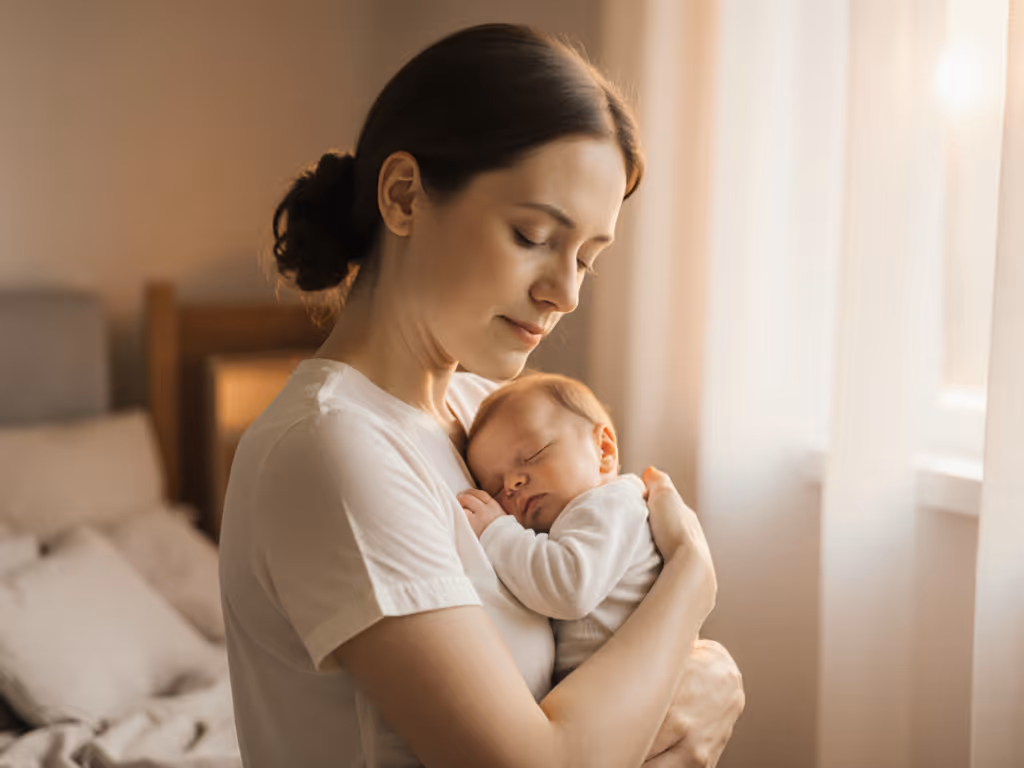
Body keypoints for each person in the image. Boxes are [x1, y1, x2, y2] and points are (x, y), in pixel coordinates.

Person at [218, 22, 744, 768]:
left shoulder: (480, 416)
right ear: (404, 197)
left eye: (587, 259)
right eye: (533, 235)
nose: (564, 292)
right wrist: (692, 584)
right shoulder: (330, 448)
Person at [458, 372, 663, 684]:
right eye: (494, 487)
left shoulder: (610, 505)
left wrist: (495, 532)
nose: (512, 484)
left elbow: (570, 589)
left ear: (604, 451)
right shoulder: (572, 520)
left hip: (629, 689)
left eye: (531, 455)